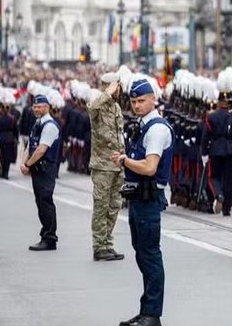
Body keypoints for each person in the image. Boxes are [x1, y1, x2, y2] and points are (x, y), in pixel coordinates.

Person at [112, 78, 174, 326]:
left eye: (141, 101)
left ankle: (152, 314)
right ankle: (145, 310)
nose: (136, 105)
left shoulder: (157, 128)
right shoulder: (142, 125)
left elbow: (150, 167)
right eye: (134, 101)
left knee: (149, 255)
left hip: (149, 199)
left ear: (153, 99)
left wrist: (124, 160)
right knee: (142, 255)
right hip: (138, 198)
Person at [88, 77, 126, 261]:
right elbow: (92, 108)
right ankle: (98, 246)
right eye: (117, 87)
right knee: (101, 207)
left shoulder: (117, 108)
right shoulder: (98, 105)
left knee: (113, 207)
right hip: (102, 166)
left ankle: (108, 243)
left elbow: (120, 136)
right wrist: (107, 93)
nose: (119, 90)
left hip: (117, 165)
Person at [20, 94, 61, 251]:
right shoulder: (37, 123)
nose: (36, 109)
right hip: (37, 169)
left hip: (45, 168)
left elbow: (41, 150)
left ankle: (50, 238)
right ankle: (46, 234)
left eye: (39, 106)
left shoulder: (50, 125)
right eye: (34, 106)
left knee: (45, 201)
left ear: (47, 107)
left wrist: (28, 165)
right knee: (40, 201)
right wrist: (24, 163)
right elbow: (30, 144)